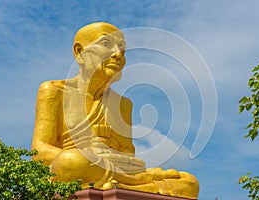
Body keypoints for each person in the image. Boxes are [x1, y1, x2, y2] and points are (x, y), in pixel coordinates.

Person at [31, 22, 199, 199]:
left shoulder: (123, 105)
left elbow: (129, 157)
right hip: (72, 169)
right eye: (106, 44)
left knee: (189, 183)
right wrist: (92, 157)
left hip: (116, 173)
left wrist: (115, 162)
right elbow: (39, 152)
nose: (118, 54)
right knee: (70, 162)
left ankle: (125, 184)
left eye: (123, 50)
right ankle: (138, 184)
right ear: (79, 52)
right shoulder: (54, 91)